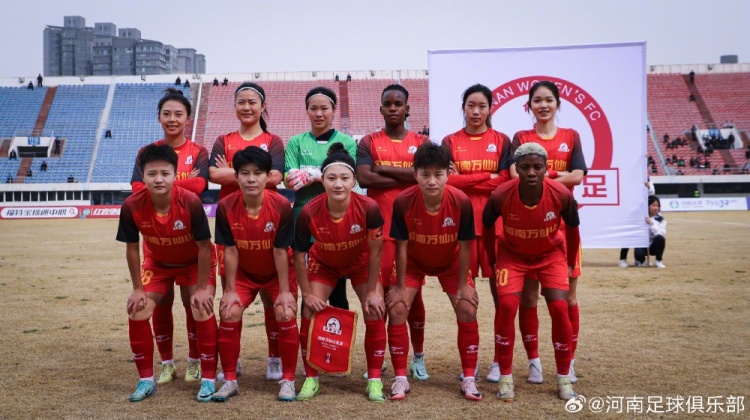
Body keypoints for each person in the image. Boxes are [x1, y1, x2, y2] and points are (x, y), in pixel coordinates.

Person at [116, 144, 218, 402]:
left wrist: (203, 289)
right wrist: (137, 288)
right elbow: (132, 248)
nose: (159, 179)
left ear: (175, 174)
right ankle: (146, 380)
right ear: (142, 176)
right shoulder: (131, 206)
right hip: (158, 265)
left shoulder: (190, 201)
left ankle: (208, 379)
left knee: (201, 307)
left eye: (165, 173)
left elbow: (204, 247)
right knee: (137, 309)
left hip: (194, 263)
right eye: (152, 174)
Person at [482, 142, 581, 402]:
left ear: (546, 168)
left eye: (537, 167)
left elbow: (573, 228)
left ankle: (563, 378)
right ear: (516, 169)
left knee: (559, 307)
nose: (531, 173)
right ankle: (505, 378)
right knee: (507, 306)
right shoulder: (501, 194)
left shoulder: (561, 194)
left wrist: (570, 262)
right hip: (512, 256)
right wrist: (492, 259)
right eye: (525, 167)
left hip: (550, 256)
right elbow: (487, 225)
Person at [387, 142, 482, 401]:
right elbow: (401, 246)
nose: (431, 181)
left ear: (448, 174)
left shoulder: (461, 201)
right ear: (415, 174)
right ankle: (400, 378)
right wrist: (400, 287)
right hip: (413, 261)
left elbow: (465, 245)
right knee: (397, 308)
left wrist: (463, 285)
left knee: (467, 308)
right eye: (425, 174)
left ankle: (469, 378)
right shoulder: (403, 201)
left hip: (450, 262)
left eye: (438, 174)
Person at [293, 143, 387, 402]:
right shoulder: (308, 212)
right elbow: (299, 255)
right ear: (322, 180)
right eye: (331, 178)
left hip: (360, 264)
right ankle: (311, 379)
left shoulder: (369, 207)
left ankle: (374, 380)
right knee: (309, 310)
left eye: (344, 178)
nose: (338, 184)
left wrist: (372, 291)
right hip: (324, 264)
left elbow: (376, 251)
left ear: (354, 180)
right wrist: (306, 294)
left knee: (375, 309)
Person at [131, 88, 212, 386]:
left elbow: (201, 185)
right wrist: (179, 184)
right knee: (161, 303)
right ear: (159, 118)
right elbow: (136, 188)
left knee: (194, 302)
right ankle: (167, 364)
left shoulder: (199, 151)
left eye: (179, 114)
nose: (172, 119)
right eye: (167, 113)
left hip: (190, 242)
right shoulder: (146, 152)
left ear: (188, 118)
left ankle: (194, 361)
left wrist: (165, 185)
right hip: (158, 245)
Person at [510, 81, 587, 385]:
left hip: (564, 227)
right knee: (529, 297)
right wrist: (559, 175)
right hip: (530, 227)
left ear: (558, 104)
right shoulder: (521, 137)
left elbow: (578, 176)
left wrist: (544, 177)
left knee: (568, 297)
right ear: (529, 105)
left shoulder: (571, 136)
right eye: (537, 100)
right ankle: (534, 363)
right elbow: (514, 174)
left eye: (549, 100)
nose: (543, 105)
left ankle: (569, 360)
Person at [209, 82, 286, 380]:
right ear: (234, 106)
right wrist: (252, 174)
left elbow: (276, 176)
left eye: (252, 102)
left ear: (263, 106)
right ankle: (234, 360)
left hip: (266, 223)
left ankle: (275, 358)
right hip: (232, 222)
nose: (246, 107)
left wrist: (234, 171)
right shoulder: (223, 139)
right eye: (241, 102)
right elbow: (213, 175)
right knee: (231, 294)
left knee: (270, 297)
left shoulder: (273, 140)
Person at [212, 146, 299, 402]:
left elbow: (281, 251)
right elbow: (229, 250)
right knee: (229, 310)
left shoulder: (281, 206)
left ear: (268, 176)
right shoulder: (225, 206)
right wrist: (229, 291)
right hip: (244, 274)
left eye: (258, 173)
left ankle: (288, 379)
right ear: (236, 176)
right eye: (245, 173)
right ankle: (230, 380)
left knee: (285, 311)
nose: (251, 179)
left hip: (277, 274)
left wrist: (284, 292)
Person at [356, 84, 430, 381]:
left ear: (407, 109)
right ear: (381, 109)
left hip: (413, 231)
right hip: (379, 232)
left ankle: (418, 356)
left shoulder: (422, 142)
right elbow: (364, 177)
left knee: (413, 298)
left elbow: (424, 176)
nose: (393, 108)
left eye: (398, 103)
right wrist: (409, 175)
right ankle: (379, 358)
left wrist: (383, 168)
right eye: (388, 104)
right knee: (379, 297)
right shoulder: (368, 141)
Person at [441, 83, 512, 382]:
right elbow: (448, 181)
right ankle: (470, 362)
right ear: (463, 108)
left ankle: (499, 361)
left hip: (495, 227)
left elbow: (505, 180)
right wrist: (488, 176)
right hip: (463, 229)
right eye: (471, 105)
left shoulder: (502, 140)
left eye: (482, 106)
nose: (476, 111)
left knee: (502, 298)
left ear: (490, 108)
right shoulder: (450, 141)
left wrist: (467, 178)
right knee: (464, 298)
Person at [285, 86, 357, 312]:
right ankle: (310, 330)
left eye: (324, 108)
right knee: (308, 281)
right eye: (313, 108)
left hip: (336, 218)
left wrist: (311, 174)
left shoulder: (347, 142)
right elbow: (290, 179)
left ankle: (338, 330)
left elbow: (349, 177)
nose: (318, 113)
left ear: (333, 110)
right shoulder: (296, 142)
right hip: (303, 218)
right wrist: (322, 174)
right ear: (306, 110)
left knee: (337, 286)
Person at [633, 196, 667, 268]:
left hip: (653, 245)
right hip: (642, 244)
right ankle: (640, 260)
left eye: (657, 206)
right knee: (639, 253)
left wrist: (651, 223)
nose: (656, 208)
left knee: (661, 238)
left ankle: (658, 260)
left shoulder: (660, 219)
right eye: (653, 205)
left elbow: (660, 233)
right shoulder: (641, 217)